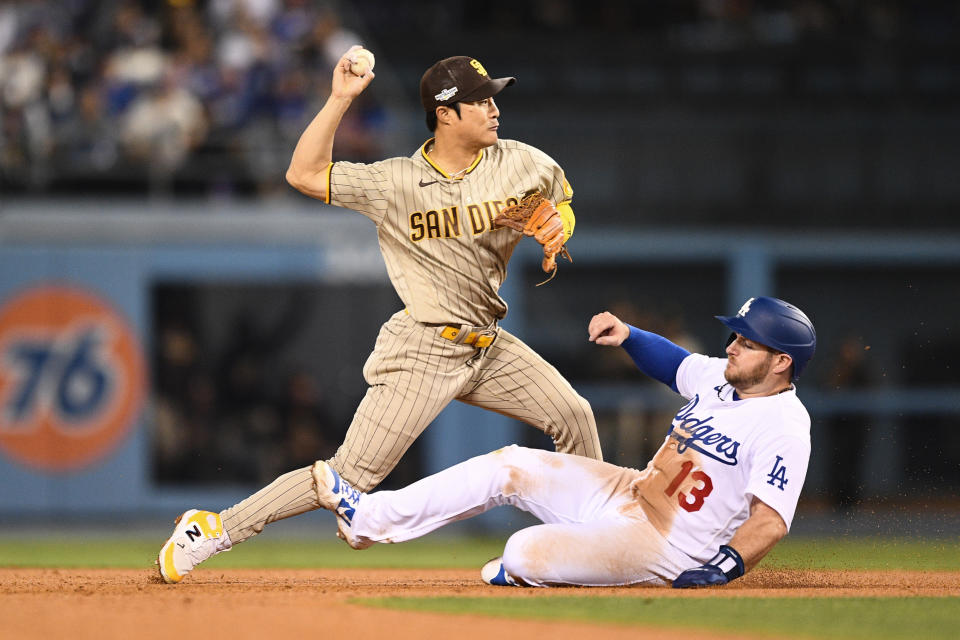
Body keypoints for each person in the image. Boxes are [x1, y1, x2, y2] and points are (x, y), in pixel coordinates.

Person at [156, 47, 601, 583]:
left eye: (493, 98)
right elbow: (303, 172)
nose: (494, 108)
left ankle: (596, 540)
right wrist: (340, 98)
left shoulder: (522, 162)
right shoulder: (394, 183)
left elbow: (561, 201)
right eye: (480, 101)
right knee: (349, 477)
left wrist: (562, 226)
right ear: (445, 113)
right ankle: (214, 528)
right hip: (425, 347)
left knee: (574, 414)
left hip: (489, 345)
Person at [310, 296, 816, 588]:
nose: (732, 346)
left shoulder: (784, 425)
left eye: (747, 343)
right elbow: (675, 364)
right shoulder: (722, 379)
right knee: (508, 465)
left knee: (522, 553)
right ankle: (368, 520)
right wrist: (630, 335)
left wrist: (723, 569)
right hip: (630, 491)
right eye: (735, 336)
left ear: (781, 362)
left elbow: (769, 521)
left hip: (669, 545)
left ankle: (535, 570)